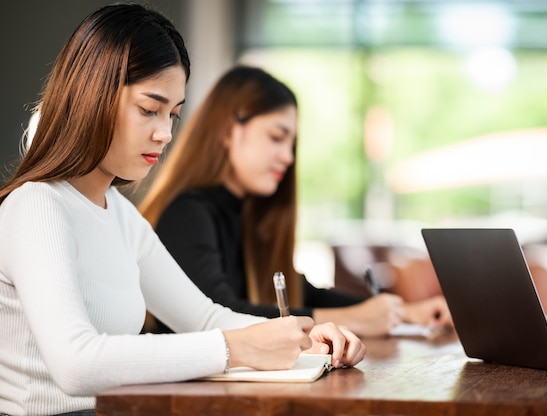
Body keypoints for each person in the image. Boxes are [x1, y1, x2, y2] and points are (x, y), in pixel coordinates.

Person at [0, 5, 365, 416]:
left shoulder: (120, 215)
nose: (165, 133)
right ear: (92, 96)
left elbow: (205, 318)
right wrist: (234, 348)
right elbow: (76, 364)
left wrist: (305, 335)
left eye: (172, 113)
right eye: (149, 109)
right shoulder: (36, 206)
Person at [139, 65, 453, 337]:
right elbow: (219, 315)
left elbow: (302, 291)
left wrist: (406, 311)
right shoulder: (187, 214)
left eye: (292, 144)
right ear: (227, 132)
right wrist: (352, 319)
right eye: (277, 137)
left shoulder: (251, 215)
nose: (287, 157)